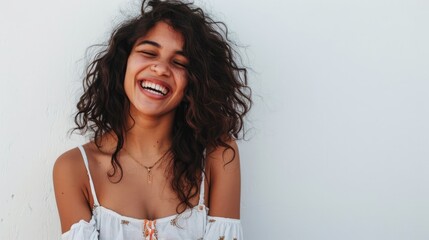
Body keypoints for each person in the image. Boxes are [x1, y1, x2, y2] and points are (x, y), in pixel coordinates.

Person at [53, 0, 251, 239]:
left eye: (179, 63)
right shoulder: (74, 169)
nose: (160, 68)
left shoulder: (218, 156)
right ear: (123, 62)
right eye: (148, 52)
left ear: (195, 82)